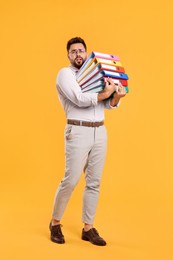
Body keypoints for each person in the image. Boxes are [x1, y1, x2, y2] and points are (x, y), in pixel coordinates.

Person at [49, 37, 126, 246]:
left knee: (94, 183)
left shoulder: (96, 74)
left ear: (87, 52)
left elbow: (108, 105)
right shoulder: (65, 74)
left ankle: (88, 228)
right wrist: (104, 94)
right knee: (70, 180)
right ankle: (55, 223)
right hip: (77, 130)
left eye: (81, 50)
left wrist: (116, 96)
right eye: (73, 51)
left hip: (100, 132)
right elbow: (78, 98)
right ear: (68, 55)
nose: (78, 55)